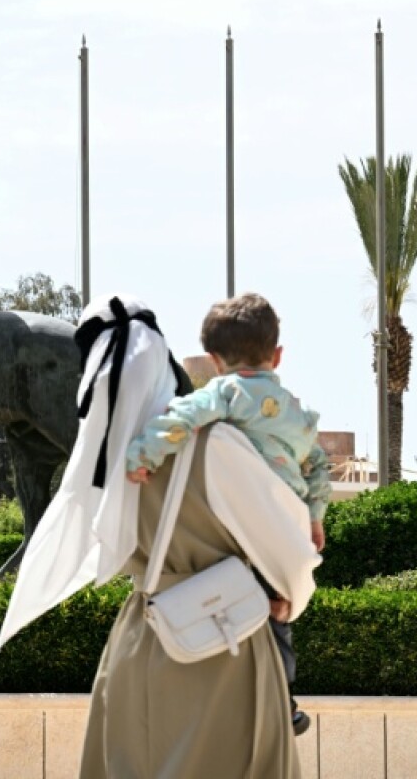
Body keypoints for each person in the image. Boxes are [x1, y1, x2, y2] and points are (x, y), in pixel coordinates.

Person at [0, 294, 320, 779]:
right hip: (224, 643)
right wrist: (290, 600)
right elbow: (290, 553)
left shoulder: (113, 460)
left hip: (141, 635)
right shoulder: (218, 446)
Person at [124, 292, 331, 733]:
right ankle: (284, 699)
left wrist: (144, 455)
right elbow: (318, 465)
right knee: (279, 617)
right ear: (278, 354)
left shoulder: (226, 392)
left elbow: (181, 419)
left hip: (243, 527)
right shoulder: (297, 411)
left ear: (215, 360)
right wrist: (315, 517)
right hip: (285, 526)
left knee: (238, 603)